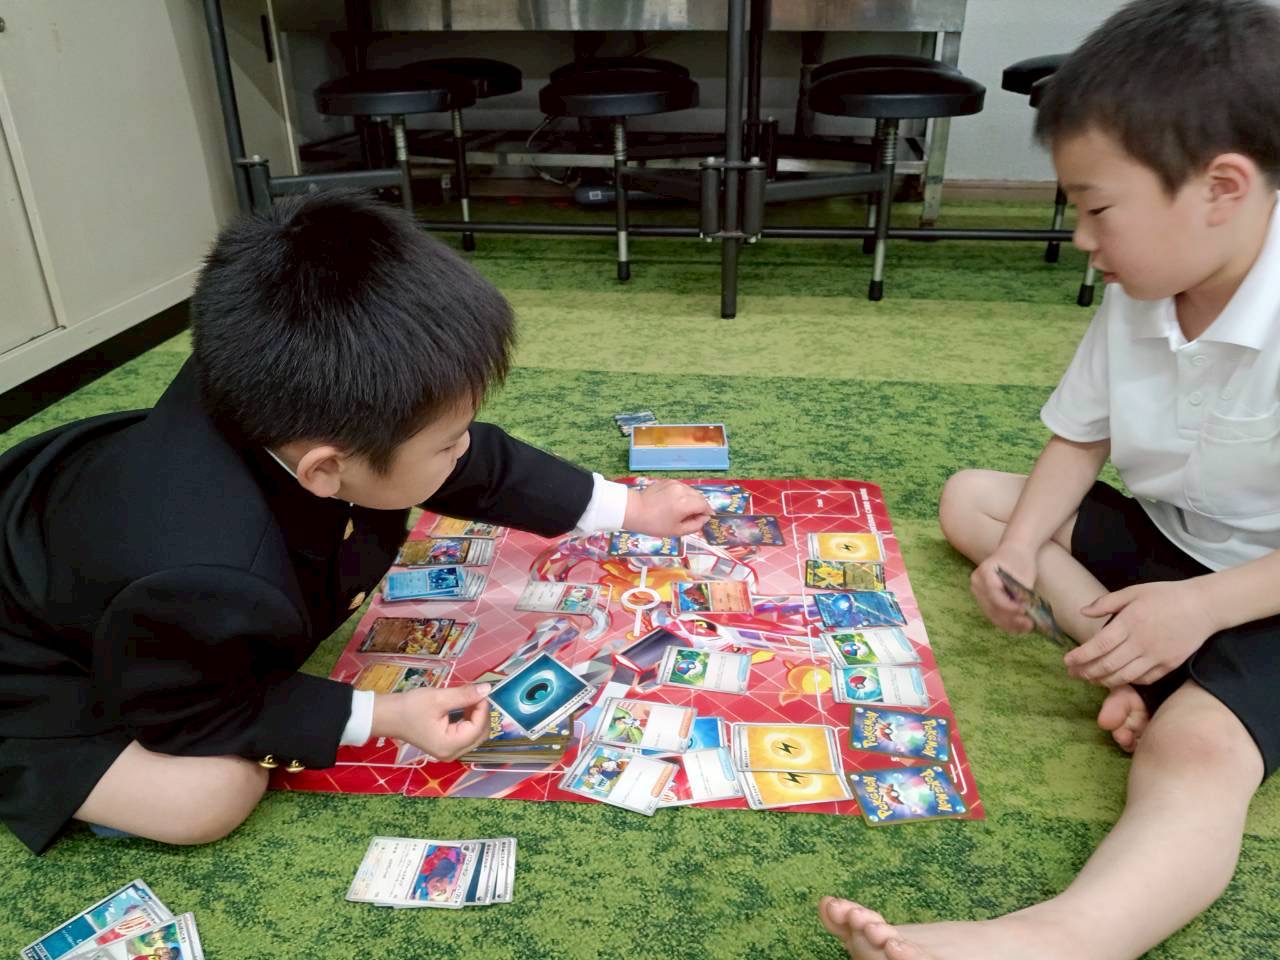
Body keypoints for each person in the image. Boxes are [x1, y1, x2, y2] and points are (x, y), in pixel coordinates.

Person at [0, 190, 710, 855]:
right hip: (37, 651)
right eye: (448, 443)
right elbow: (192, 709)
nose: (464, 449)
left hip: (95, 537)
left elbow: (470, 462)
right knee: (212, 796)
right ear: (325, 469)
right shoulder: (204, 571)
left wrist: (627, 507)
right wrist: (383, 716)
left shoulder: (289, 395)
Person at [818, 1, 1280, 956]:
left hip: (1266, 590)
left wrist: (1203, 610)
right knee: (976, 501)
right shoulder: (1143, 294)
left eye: (1099, 209)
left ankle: (1059, 938)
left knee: (1194, 750)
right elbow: (1078, 441)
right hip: (1176, 542)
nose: (1081, 239)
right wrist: (1022, 551)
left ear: (1222, 188)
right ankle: (1138, 649)